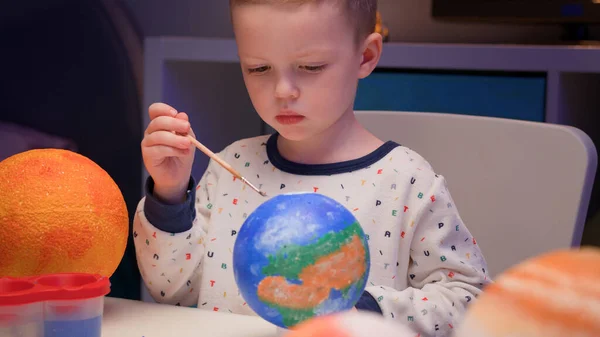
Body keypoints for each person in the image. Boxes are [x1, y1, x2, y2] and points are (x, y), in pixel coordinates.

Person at [133, 0, 491, 336]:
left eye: (310, 67)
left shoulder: (406, 181)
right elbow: (171, 290)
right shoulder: (231, 166)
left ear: (365, 57)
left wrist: (362, 307)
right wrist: (170, 192)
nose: (283, 90)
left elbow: (470, 300)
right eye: (259, 68)